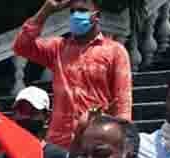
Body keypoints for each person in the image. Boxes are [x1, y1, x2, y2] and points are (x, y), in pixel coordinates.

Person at [13, 0, 132, 149]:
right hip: (58, 143)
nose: (76, 15)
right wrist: (46, 10)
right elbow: (21, 46)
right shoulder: (58, 48)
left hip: (94, 142)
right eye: (72, 11)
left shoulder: (115, 51)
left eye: (82, 11)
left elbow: (122, 103)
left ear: (96, 16)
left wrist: (121, 144)